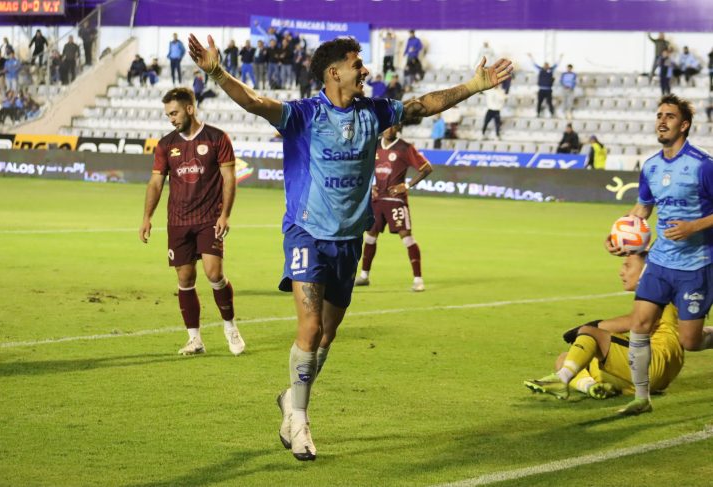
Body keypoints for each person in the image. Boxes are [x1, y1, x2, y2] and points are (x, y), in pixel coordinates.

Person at [187, 33, 512, 461]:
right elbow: (255, 102)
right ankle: (300, 421)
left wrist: (473, 86)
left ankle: (291, 399)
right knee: (309, 328)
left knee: (327, 334)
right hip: (306, 233)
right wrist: (216, 71)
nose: (365, 70)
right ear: (334, 72)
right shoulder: (303, 115)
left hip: (348, 239)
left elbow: (422, 105)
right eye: (358, 64)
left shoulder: (374, 112)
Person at [606, 94, 713, 416]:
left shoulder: (703, 165)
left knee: (690, 341)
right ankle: (641, 398)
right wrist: (618, 232)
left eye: (669, 116)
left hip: (696, 265)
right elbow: (643, 208)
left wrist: (694, 226)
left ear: (684, 125)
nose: (662, 121)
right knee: (640, 324)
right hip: (660, 262)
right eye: (659, 115)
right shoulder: (651, 166)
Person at [139, 87, 245, 358]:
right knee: (185, 278)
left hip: (209, 218)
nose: (171, 119)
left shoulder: (217, 138)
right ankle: (194, 339)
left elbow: (229, 179)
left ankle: (230, 328)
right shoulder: (166, 144)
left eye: (174, 113)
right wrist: (147, 217)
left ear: (190, 108)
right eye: (167, 115)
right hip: (178, 220)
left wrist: (225, 214)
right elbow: (155, 182)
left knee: (214, 273)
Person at [524, 252, 684, 400]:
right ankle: (591, 387)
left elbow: (633, 321)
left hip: (654, 361)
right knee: (564, 359)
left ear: (646, 269)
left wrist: (589, 328)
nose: (621, 272)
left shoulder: (657, 290)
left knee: (590, 333)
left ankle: (562, 379)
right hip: (648, 376)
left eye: (627, 265)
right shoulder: (658, 291)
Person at [354, 124, 432, 291]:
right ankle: (364, 276)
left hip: (396, 200)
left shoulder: (405, 148)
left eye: (393, 126)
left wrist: (407, 185)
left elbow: (426, 168)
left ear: (398, 128)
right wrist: (369, 185)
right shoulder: (373, 145)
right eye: (387, 126)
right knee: (370, 236)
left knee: (406, 237)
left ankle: (418, 279)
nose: (389, 129)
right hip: (376, 200)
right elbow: (361, 166)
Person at [528, 53, 561, 118]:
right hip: (541, 89)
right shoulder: (541, 69)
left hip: (548, 90)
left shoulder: (551, 70)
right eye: (545, 65)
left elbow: (557, 64)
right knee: (539, 102)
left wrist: (560, 57)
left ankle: (552, 113)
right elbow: (534, 64)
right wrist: (531, 57)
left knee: (549, 102)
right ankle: (538, 113)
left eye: (547, 65)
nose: (546, 66)